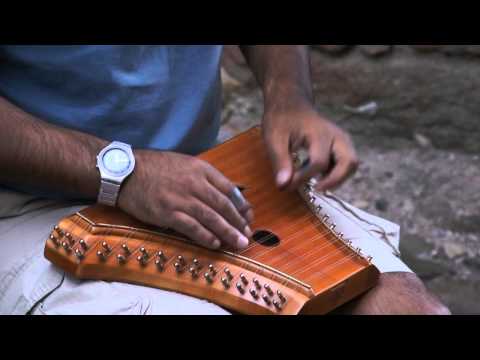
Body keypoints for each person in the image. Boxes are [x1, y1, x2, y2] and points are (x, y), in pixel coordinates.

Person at [0, 45, 450, 315]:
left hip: (204, 174)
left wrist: (289, 97)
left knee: (409, 307)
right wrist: (126, 170)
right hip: (33, 204)